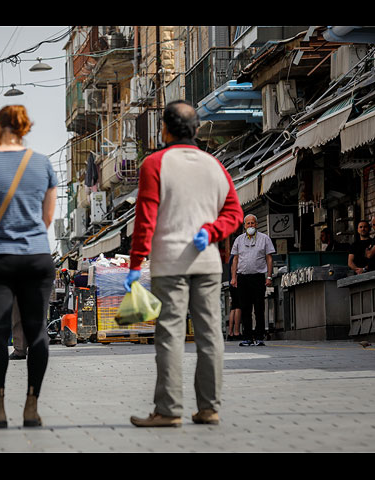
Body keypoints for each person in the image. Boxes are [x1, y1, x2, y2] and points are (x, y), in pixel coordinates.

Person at [125, 100, 243, 428]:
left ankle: (168, 410)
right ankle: (209, 408)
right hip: (207, 264)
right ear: (196, 129)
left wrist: (136, 264)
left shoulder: (155, 163)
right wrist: (213, 231)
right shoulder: (214, 165)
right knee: (210, 336)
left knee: (170, 336)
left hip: (169, 264)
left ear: (164, 129)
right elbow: (234, 213)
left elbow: (145, 218)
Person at [0, 104, 57, 428]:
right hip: (37, 257)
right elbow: (48, 219)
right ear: (25, 128)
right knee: (37, 332)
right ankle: (32, 406)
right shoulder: (43, 163)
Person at [231, 214, 275, 347]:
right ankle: (248, 337)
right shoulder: (239, 240)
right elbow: (235, 259)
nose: (250, 226)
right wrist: (234, 277)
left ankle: (260, 336)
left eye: (252, 223)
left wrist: (269, 276)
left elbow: (269, 258)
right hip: (243, 278)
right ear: (244, 226)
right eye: (248, 223)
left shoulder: (264, 239)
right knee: (245, 308)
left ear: (256, 225)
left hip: (258, 277)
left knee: (259, 308)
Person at [227, 254, 241, 341]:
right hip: (236, 283)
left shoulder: (231, 256)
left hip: (231, 283)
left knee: (233, 307)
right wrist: (235, 279)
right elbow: (234, 268)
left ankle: (230, 333)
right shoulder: (236, 256)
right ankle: (236, 332)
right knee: (238, 306)